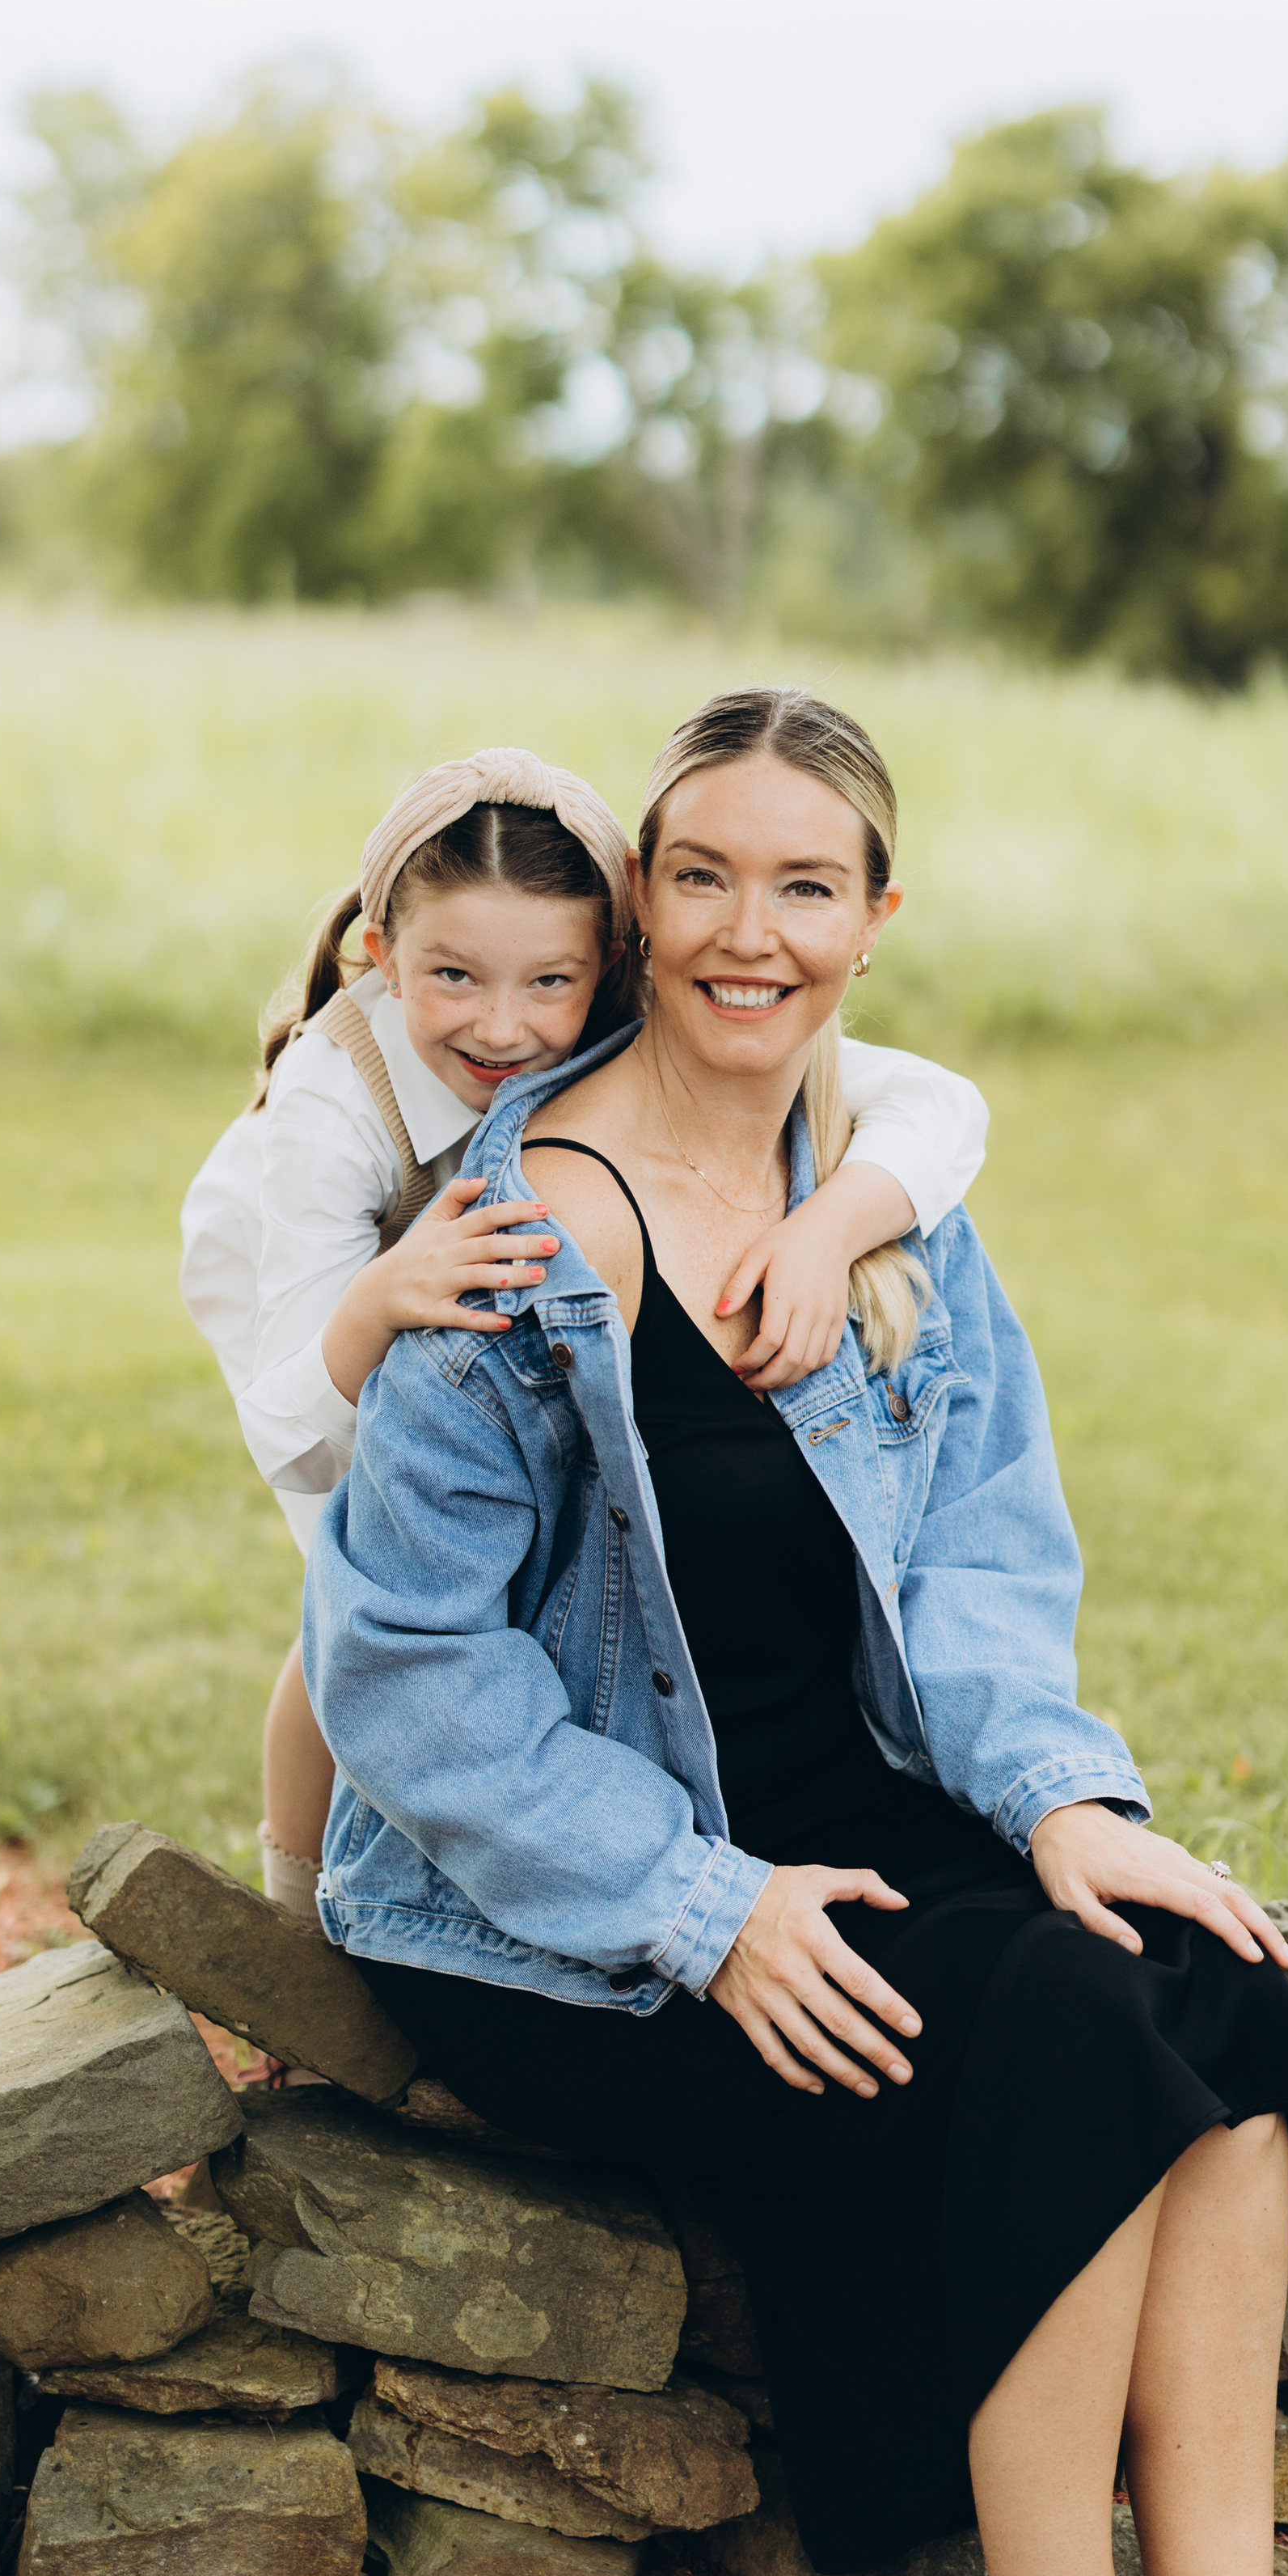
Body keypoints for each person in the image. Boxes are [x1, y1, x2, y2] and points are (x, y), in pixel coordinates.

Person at [305, 689, 1288, 2576]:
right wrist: (700, 1907)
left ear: (874, 921)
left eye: (804, 887)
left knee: (1200, 1979)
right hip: (560, 1909)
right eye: (702, 878)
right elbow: (403, 1667)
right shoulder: (523, 1244)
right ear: (637, 906)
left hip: (839, 1818)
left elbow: (976, 1550)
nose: (750, 932)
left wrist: (1057, 1801)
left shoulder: (886, 1207)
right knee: (1061, 2023)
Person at [179, 742, 991, 1923]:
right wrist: (383, 1298)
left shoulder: (636, 1011)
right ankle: (305, 1913)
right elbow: (292, 1428)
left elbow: (938, 1106)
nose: (504, 1025)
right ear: (382, 953)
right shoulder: (330, 1106)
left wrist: (828, 1230)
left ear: (614, 956)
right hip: (315, 1295)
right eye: (453, 976)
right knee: (367, 1583)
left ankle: (581, 1822)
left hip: (491, 1258)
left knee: (543, 1564)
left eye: (549, 983)